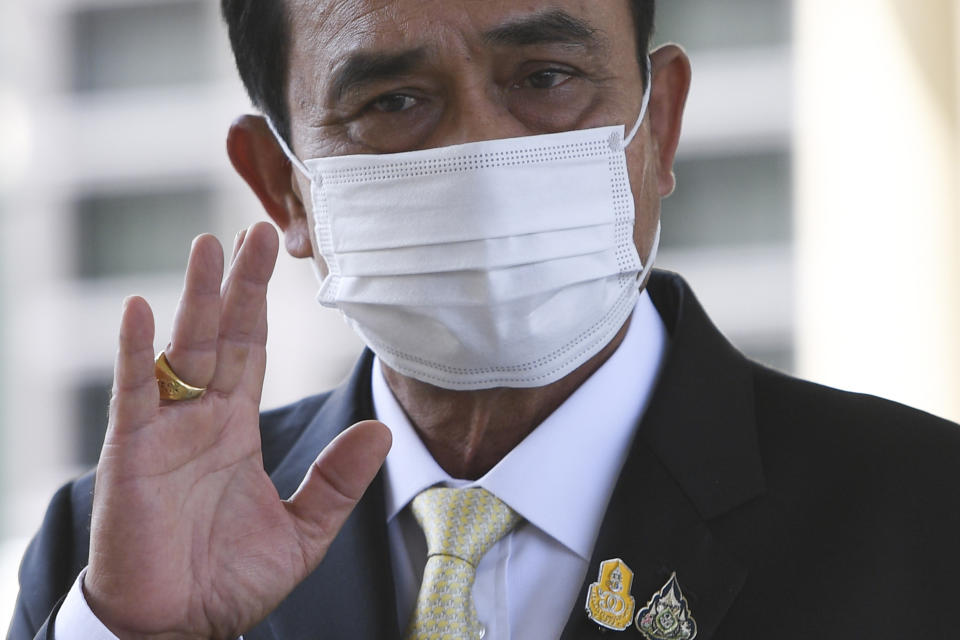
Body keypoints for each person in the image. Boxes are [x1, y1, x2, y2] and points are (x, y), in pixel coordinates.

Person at [8, 1, 960, 639]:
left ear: (658, 127)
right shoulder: (111, 558)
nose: (482, 155)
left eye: (546, 78)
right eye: (394, 101)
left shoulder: (927, 516)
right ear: (282, 186)